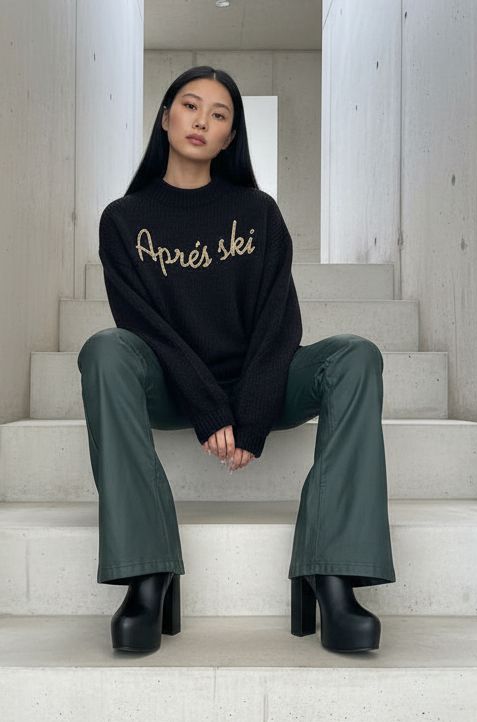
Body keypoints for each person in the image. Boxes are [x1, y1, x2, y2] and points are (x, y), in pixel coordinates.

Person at [77, 65, 396, 656]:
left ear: (230, 136)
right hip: (172, 387)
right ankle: (147, 573)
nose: (201, 120)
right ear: (165, 117)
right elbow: (144, 327)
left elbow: (279, 324)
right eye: (190, 105)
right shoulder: (123, 219)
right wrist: (208, 407)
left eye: (219, 114)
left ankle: (334, 574)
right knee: (105, 349)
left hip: (262, 383)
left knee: (356, 355)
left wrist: (251, 414)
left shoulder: (258, 212)